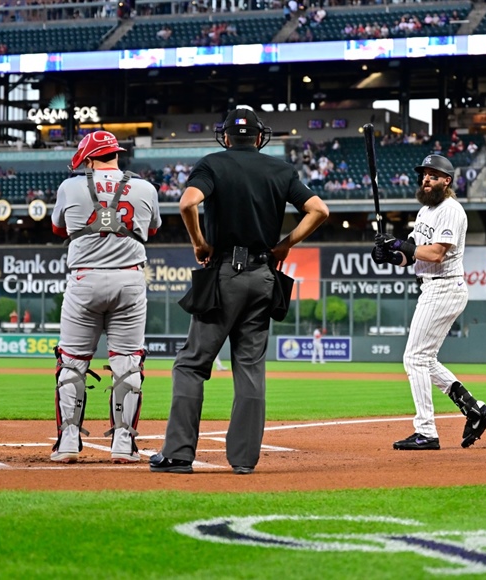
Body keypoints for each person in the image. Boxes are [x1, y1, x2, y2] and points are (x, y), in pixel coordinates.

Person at [150, 108, 329, 475]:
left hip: (224, 275)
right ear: (259, 138)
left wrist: (199, 242)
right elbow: (319, 210)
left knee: (191, 364)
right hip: (264, 274)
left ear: (227, 137)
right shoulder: (281, 169)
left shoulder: (213, 163)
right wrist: (284, 245)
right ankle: (244, 461)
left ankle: (179, 454)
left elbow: (187, 203)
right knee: (249, 368)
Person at [50, 130, 162, 464]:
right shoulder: (145, 187)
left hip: (84, 279)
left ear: (87, 158)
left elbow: (58, 229)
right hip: (129, 279)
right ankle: (124, 444)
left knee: (72, 362)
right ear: (116, 154)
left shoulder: (70, 185)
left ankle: (68, 441)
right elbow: (152, 230)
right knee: (127, 363)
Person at [371, 154, 486, 451]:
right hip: (432, 288)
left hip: (444, 287)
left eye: (433, 175)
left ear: (446, 181)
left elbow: (436, 253)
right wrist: (390, 255)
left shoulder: (451, 210)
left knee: (413, 358)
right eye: (424, 174)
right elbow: (412, 255)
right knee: (425, 360)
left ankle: (426, 431)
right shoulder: (425, 211)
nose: (426, 179)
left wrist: (401, 244)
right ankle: (475, 409)